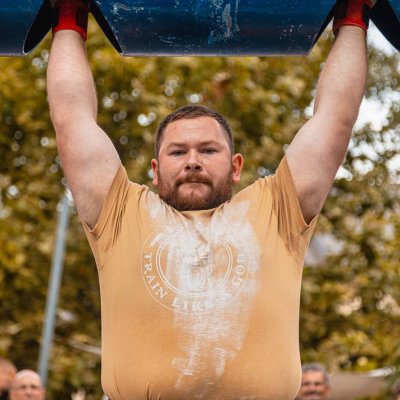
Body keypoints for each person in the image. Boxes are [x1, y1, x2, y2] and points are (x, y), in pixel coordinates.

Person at [47, 0, 373, 398]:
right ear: (155, 170)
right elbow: (71, 118)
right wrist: (68, 15)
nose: (192, 161)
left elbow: (335, 118)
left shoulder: (278, 209)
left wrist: (354, 14)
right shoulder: (119, 213)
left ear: (236, 166)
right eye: (177, 152)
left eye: (208, 150)